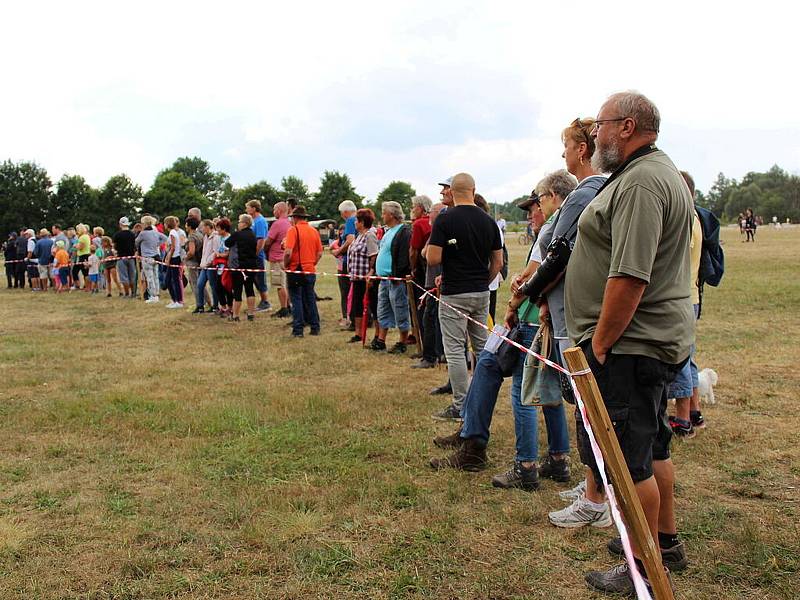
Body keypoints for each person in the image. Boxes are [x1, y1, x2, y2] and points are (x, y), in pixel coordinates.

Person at [566, 91, 694, 594]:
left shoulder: (642, 181)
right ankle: (665, 543)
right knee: (653, 445)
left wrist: (600, 343)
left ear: (626, 126)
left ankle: (642, 566)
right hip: (643, 343)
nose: (593, 134)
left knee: (627, 459)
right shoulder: (647, 173)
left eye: (599, 124)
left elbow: (629, 277)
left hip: (630, 345)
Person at [430, 173, 575, 490]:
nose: (530, 213)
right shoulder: (568, 224)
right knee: (528, 380)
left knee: (520, 388)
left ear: (550, 197)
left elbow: (536, 275)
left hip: (532, 318)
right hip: (544, 319)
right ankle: (558, 458)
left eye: (534, 204)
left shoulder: (555, 228)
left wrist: (515, 296)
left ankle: (521, 464)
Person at [427, 173, 503, 421]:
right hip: (481, 292)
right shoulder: (488, 221)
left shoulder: (445, 219)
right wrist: (484, 279)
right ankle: (482, 401)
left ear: (452, 191)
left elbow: (433, 258)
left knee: (456, 350)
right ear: (473, 189)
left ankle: (461, 406)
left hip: (454, 294)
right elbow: (498, 262)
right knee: (481, 348)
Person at [667, 171, 704, 438]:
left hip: (682, 297)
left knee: (679, 358)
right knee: (687, 356)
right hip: (690, 296)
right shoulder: (694, 217)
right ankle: (694, 411)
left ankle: (682, 420)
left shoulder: (686, 219)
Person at [371, 201, 412, 353]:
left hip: (395, 280)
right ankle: (381, 340)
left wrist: (398, 275)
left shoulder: (404, 232)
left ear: (392, 215)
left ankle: (402, 341)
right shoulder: (388, 231)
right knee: (383, 309)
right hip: (384, 279)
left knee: (400, 309)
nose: (382, 216)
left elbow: (404, 257)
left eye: (384, 213)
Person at [414, 202, 446, 369]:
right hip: (432, 282)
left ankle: (431, 356)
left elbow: (426, 254)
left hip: (437, 284)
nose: (429, 215)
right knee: (431, 318)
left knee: (431, 318)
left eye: (432, 212)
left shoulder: (438, 232)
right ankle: (435, 354)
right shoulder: (434, 232)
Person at [283, 206, 323, 338]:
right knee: (310, 299)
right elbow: (319, 252)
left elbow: (288, 252)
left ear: (295, 218)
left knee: (296, 300)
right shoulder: (313, 231)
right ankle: (315, 327)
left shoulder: (293, 230)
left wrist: (285, 264)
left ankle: (298, 330)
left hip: (296, 270)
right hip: (310, 270)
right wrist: (312, 263)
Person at [346, 208, 379, 344]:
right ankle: (358, 333)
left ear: (362, 222)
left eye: (357, 221)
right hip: (356, 278)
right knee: (357, 305)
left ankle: (378, 334)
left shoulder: (370, 236)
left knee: (374, 305)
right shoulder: (359, 235)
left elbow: (373, 255)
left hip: (367, 278)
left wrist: (371, 272)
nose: (355, 223)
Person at [409, 195, 433, 352]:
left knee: (421, 309)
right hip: (432, 270)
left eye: (414, 207)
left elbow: (413, 251)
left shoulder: (419, 224)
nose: (412, 210)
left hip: (421, 271)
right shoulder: (433, 222)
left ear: (421, 208)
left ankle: (425, 347)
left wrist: (412, 268)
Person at [223, 213, 258, 322]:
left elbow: (227, 243)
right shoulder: (253, 235)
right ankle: (251, 313)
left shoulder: (238, 234)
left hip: (239, 266)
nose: (238, 224)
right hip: (251, 265)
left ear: (244, 223)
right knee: (249, 289)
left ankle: (236, 315)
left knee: (237, 291)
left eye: (239, 222)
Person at [333, 200, 358, 328]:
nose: (342, 216)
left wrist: (338, 251)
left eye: (342, 213)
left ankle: (348, 318)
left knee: (346, 291)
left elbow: (350, 240)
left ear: (346, 212)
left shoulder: (350, 221)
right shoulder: (361, 219)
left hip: (347, 263)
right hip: (358, 263)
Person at [264, 201, 291, 318]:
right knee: (286, 283)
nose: (273, 212)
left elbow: (268, 241)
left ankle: (284, 308)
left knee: (280, 285)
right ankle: (288, 306)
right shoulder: (290, 223)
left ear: (279, 211)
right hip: (286, 258)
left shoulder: (277, 224)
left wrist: (266, 252)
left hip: (277, 258)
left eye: (274, 210)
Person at [245, 200, 271, 312]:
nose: (246, 210)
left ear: (254, 208)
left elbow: (261, 240)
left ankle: (266, 302)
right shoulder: (253, 221)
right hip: (252, 255)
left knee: (260, 278)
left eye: (248, 207)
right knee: (255, 278)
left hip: (257, 256)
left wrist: (255, 254)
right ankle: (262, 301)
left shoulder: (260, 221)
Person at [135, 215, 168, 304]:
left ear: (144, 223)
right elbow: (165, 238)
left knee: (149, 277)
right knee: (155, 276)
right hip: (155, 256)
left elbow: (136, 242)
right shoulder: (155, 232)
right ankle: (156, 294)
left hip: (146, 257)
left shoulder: (143, 233)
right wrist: (158, 244)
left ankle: (153, 296)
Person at [163, 216, 186, 309]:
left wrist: (168, 258)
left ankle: (179, 301)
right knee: (168, 280)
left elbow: (173, 247)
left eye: (165, 223)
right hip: (173, 257)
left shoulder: (172, 233)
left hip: (175, 258)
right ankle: (174, 300)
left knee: (175, 280)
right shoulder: (173, 232)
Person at [196, 219, 219, 314]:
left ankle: (215, 306)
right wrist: (202, 263)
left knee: (213, 286)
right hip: (204, 266)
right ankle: (200, 306)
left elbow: (215, 252)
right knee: (199, 284)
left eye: (202, 226)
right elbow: (204, 252)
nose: (201, 229)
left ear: (208, 227)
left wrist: (208, 262)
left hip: (211, 266)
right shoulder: (205, 237)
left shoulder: (216, 237)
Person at [213, 218, 234, 317]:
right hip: (219, 266)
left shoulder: (228, 239)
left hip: (226, 266)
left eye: (219, 229)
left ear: (224, 229)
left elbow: (227, 253)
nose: (217, 231)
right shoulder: (220, 238)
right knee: (218, 287)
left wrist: (218, 255)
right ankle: (223, 307)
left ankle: (230, 308)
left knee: (227, 287)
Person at [184, 217, 204, 312]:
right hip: (199, 261)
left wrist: (185, 258)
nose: (185, 226)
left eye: (186, 224)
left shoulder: (191, 236)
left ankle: (199, 305)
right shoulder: (199, 234)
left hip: (193, 262)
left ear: (189, 226)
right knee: (200, 284)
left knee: (195, 284)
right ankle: (207, 302)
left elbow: (191, 251)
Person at [113, 217, 137, 298]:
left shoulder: (117, 235)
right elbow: (135, 246)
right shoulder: (132, 234)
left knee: (124, 277)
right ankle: (133, 293)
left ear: (120, 224)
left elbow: (115, 247)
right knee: (132, 276)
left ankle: (127, 294)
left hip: (121, 258)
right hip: (131, 257)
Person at [72, 224, 92, 290]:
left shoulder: (82, 237)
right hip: (84, 255)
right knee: (75, 270)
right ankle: (79, 285)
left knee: (85, 272)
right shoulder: (86, 236)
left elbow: (80, 247)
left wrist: (75, 246)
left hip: (83, 256)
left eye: (77, 230)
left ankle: (87, 287)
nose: (76, 231)